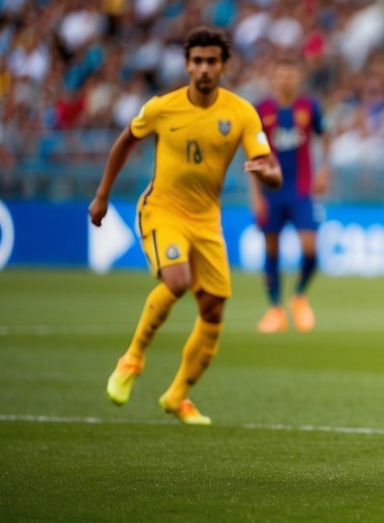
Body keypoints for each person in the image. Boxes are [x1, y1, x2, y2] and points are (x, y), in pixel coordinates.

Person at [90, 26, 282, 425]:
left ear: (224, 66)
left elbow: (271, 169)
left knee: (213, 310)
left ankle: (177, 396)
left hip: (207, 220)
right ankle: (132, 359)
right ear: (186, 65)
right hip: (162, 209)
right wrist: (103, 195)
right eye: (197, 61)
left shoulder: (241, 113)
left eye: (212, 61)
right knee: (177, 281)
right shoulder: (163, 108)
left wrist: (265, 174)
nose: (205, 69)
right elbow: (126, 140)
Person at [250, 56, 329, 333]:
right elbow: (252, 154)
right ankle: (275, 310)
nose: (285, 79)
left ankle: (298, 297)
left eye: (290, 74)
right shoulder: (261, 110)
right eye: (280, 74)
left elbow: (325, 135)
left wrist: (324, 170)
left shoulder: (310, 106)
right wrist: (255, 193)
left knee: (310, 248)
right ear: (273, 77)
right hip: (270, 192)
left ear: (297, 77)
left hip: (301, 190)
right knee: (271, 249)